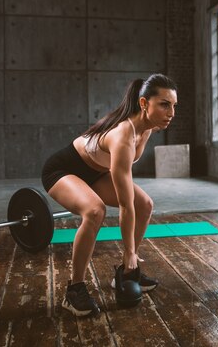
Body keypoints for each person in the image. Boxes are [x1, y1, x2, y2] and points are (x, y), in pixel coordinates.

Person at [41, 74, 178, 316]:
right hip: (63, 170)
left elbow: (133, 203)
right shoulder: (123, 135)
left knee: (145, 204)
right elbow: (125, 205)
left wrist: (130, 254)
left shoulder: (146, 129)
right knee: (95, 211)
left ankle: (125, 272)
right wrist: (129, 250)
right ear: (144, 104)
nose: (171, 112)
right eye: (164, 105)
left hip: (95, 172)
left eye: (173, 105)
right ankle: (74, 290)